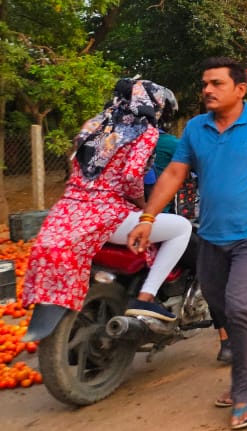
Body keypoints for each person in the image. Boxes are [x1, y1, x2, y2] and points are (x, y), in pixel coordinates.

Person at [132, 57, 247, 429]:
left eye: (216, 83)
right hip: (211, 235)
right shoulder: (196, 128)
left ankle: (244, 392)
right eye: (205, 83)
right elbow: (176, 172)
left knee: (241, 307)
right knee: (223, 310)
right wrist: (148, 217)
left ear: (240, 89)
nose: (207, 89)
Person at [23, 80, 193, 323]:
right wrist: (146, 210)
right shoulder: (145, 130)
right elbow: (132, 176)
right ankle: (146, 298)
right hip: (107, 215)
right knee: (182, 228)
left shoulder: (94, 124)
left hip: (66, 212)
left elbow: (78, 166)